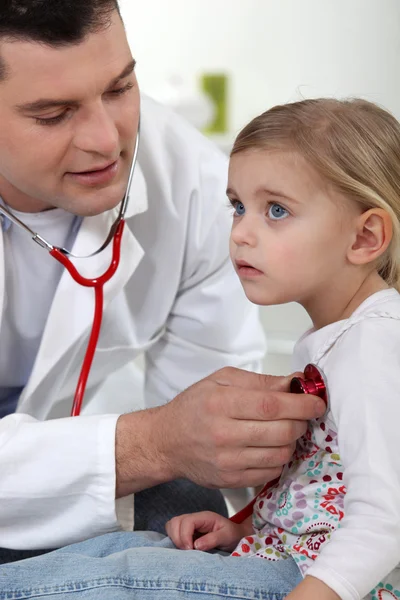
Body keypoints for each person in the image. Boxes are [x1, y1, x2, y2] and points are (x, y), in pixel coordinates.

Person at [6, 96, 399, 600]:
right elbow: (320, 485)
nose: (240, 234)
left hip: (308, 583)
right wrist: (241, 527)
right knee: (112, 552)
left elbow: (385, 517)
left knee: (119, 576)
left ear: (365, 237)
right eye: (238, 206)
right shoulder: (337, 337)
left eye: (275, 210)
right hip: (274, 557)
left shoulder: (373, 343)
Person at [0, 0, 325, 564]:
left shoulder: (194, 184)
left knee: (184, 505)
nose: (107, 140)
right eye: (53, 114)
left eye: (120, 88)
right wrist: (152, 442)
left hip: (56, 485)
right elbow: (168, 441)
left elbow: (203, 439)